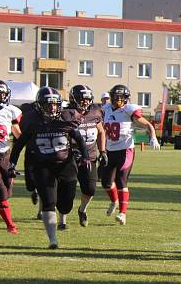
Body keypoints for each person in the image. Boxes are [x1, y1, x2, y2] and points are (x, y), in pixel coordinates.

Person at [9, 87, 90, 249]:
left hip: (66, 165)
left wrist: (86, 156)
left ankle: (62, 215)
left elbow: (79, 139)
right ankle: (52, 239)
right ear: (39, 105)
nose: (53, 108)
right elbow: (19, 145)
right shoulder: (32, 121)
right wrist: (12, 164)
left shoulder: (67, 118)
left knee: (65, 205)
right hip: (43, 166)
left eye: (55, 104)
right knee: (48, 203)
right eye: (48, 104)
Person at [101, 84, 160, 225]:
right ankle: (114, 201)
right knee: (106, 182)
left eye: (120, 97)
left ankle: (122, 213)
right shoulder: (105, 109)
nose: (117, 100)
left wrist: (153, 137)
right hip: (110, 150)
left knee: (121, 178)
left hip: (125, 150)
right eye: (115, 97)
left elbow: (147, 124)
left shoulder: (128, 110)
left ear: (126, 99)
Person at [66, 85, 107, 228]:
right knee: (66, 190)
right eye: (82, 99)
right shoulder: (66, 113)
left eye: (87, 99)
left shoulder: (95, 112)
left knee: (90, 189)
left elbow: (101, 132)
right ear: (73, 99)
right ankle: (62, 220)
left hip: (89, 156)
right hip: (69, 157)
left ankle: (82, 210)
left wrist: (103, 151)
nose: (85, 102)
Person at [0, 80, 21, 233]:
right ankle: (10, 226)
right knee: (1, 192)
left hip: (5, 154)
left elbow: (17, 131)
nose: (1, 97)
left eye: (3, 94)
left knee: (7, 189)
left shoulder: (11, 110)